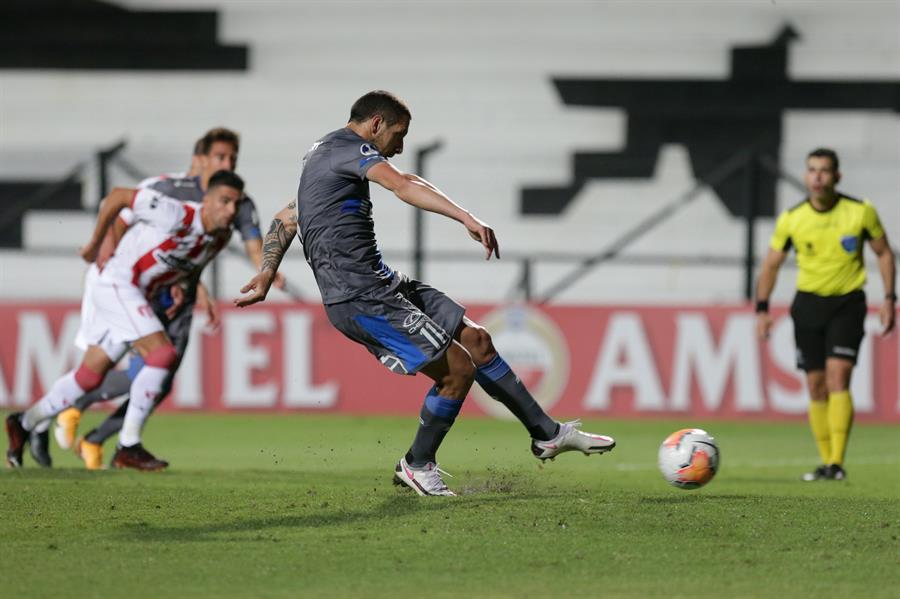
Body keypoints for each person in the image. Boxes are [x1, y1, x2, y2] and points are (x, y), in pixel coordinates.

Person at [235, 90, 615, 496]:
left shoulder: (326, 156)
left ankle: (547, 434)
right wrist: (466, 218)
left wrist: (265, 271)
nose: (400, 147)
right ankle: (417, 464)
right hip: (360, 296)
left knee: (477, 341)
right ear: (376, 124)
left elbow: (288, 216)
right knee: (458, 370)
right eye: (399, 135)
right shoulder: (344, 148)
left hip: (381, 282)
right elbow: (400, 185)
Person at [48, 128, 286, 470]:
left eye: (232, 157)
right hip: (142, 288)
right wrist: (107, 253)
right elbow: (123, 216)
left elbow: (247, 245)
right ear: (199, 159)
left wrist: (266, 268)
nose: (227, 162)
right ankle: (79, 410)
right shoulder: (169, 189)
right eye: (220, 156)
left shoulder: (238, 201)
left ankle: (94, 436)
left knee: (160, 380)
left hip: (180, 297)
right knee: (150, 368)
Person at [5, 170, 246, 470]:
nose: (231, 210)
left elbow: (185, 263)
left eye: (236, 204)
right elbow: (119, 196)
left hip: (136, 292)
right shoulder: (177, 214)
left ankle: (25, 422)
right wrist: (98, 243)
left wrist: (181, 286)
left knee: (90, 376)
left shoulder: (220, 237)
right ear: (206, 200)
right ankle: (128, 444)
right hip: (117, 282)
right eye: (224, 201)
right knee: (162, 354)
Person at [756, 147, 896, 481]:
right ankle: (825, 463)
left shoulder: (860, 212)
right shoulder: (792, 218)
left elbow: (884, 253)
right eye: (812, 170)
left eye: (824, 170)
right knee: (816, 386)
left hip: (847, 303)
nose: (817, 177)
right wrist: (761, 309)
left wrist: (890, 298)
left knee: (838, 377)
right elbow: (771, 264)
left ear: (837, 176)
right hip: (808, 306)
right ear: (806, 176)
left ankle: (836, 462)